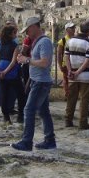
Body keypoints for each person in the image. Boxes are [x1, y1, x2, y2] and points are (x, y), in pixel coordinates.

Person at [11, 17, 56, 151]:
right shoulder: (38, 42)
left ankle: (27, 142)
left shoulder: (44, 42)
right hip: (38, 80)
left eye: (27, 30)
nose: (26, 33)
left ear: (34, 27)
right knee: (43, 112)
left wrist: (27, 60)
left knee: (29, 110)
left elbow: (44, 62)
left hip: (41, 82)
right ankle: (50, 140)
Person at [64, 21, 89, 130]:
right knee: (84, 99)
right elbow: (87, 61)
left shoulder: (70, 41)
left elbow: (66, 57)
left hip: (72, 75)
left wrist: (70, 71)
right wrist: (78, 72)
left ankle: (68, 120)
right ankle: (83, 122)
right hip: (85, 76)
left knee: (71, 98)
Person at [0, 25, 26, 124]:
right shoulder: (15, 46)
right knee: (20, 94)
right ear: (10, 34)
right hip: (11, 72)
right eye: (14, 33)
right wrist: (5, 72)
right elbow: (13, 62)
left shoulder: (1, 45)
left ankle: (6, 117)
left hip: (1, 69)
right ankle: (21, 116)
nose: (15, 35)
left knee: (4, 94)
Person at [56, 22, 75, 100]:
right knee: (66, 80)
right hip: (66, 64)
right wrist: (60, 65)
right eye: (72, 28)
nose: (74, 29)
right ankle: (67, 95)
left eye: (74, 27)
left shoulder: (76, 38)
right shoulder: (62, 41)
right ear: (67, 30)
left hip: (75, 63)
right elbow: (59, 54)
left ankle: (73, 95)